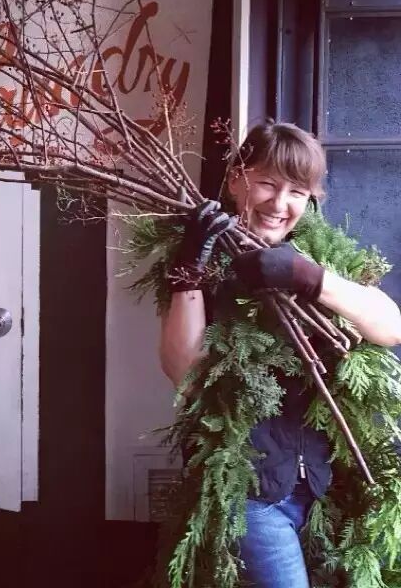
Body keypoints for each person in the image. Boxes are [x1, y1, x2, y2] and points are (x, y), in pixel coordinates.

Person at [158, 121, 401, 587]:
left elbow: (390, 328)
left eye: (297, 192)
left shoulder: (321, 257)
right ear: (236, 179)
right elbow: (184, 373)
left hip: (327, 488)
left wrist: (308, 277)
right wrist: (189, 270)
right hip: (251, 490)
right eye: (267, 183)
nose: (279, 203)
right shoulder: (205, 263)